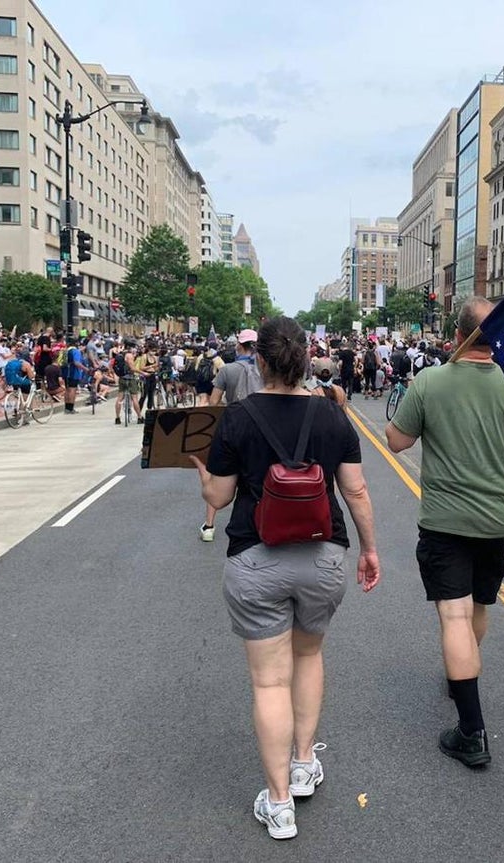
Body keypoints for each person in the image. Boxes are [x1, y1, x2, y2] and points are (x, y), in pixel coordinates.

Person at [190, 316, 379, 841]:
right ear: (305, 360)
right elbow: (356, 491)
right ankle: (303, 764)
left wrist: (202, 476)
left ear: (260, 361)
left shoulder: (237, 418)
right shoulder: (332, 414)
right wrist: (369, 549)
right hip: (322, 555)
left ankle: (278, 805)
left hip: (256, 557)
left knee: (269, 681)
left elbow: (219, 496)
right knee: (309, 656)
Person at [385, 297, 504, 768]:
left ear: (458, 335)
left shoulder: (430, 381)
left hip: (446, 520)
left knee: (453, 616)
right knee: (478, 606)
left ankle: (471, 731)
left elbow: (395, 442)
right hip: (497, 521)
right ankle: (463, 673)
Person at [203, 329, 263, 541]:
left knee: (217, 477)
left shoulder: (227, 370)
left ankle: (209, 526)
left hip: (232, 430)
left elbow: (213, 403)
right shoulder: (265, 370)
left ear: (239, 345)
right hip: (259, 432)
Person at [62, 337, 88, 414]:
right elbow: (77, 363)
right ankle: (71, 408)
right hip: (73, 373)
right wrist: (85, 369)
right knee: (73, 390)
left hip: (65, 372)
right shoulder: (76, 351)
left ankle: (66, 408)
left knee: (67, 390)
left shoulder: (65, 351)